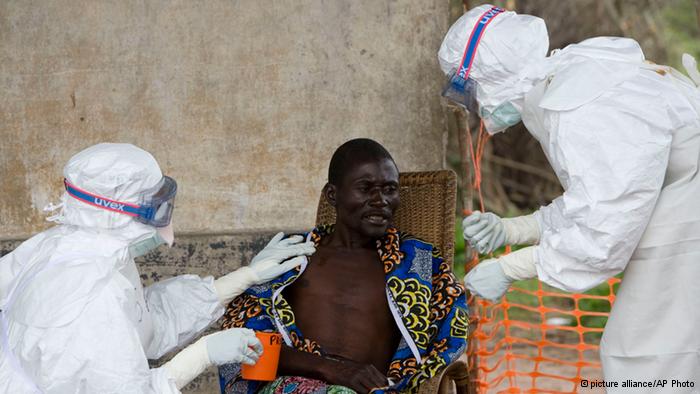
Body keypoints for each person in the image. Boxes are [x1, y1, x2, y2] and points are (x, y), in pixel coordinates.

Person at [439, 4, 700, 391]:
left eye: (468, 88)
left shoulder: (580, 107)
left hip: (687, 223)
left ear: (494, 76)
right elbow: (596, 197)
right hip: (682, 211)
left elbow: (605, 232)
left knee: (644, 360)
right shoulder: (571, 79)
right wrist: (514, 230)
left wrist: (511, 268)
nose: (473, 102)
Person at [0, 143, 315, 393]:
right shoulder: (90, 297)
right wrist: (202, 354)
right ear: (114, 211)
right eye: (154, 206)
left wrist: (239, 279)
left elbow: (142, 321)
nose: (165, 220)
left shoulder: (79, 250)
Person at [218, 139, 469, 394]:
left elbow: (451, 335)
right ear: (332, 195)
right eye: (366, 188)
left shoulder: (418, 264)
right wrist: (331, 369)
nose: (380, 200)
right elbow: (245, 342)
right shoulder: (292, 257)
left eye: (390, 189)